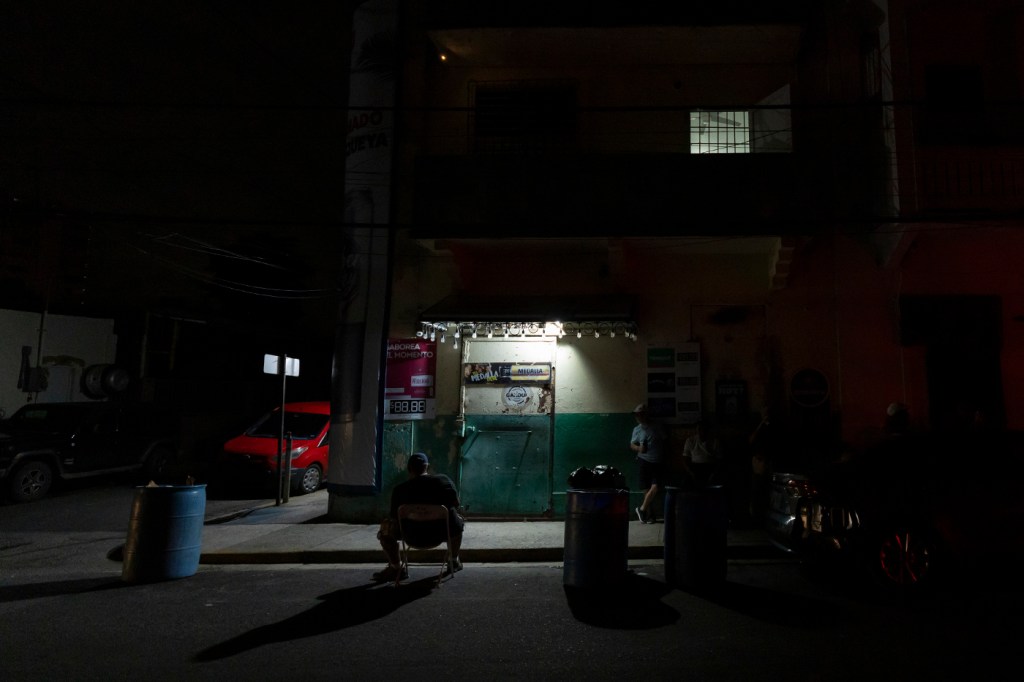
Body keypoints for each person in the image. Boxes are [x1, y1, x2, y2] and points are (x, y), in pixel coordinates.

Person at [372, 451, 465, 582]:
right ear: (427, 467)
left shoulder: (400, 490)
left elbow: (394, 517)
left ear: (409, 469)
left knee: (385, 529)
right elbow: (456, 503)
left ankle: (396, 567)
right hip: (440, 534)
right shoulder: (443, 481)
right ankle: (453, 561)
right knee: (458, 520)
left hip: (411, 536)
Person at [630, 403, 666, 524]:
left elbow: (665, 440)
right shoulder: (637, 429)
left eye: (640, 414)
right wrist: (638, 449)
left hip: (657, 460)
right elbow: (632, 444)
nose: (638, 417)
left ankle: (642, 509)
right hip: (643, 460)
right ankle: (650, 515)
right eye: (636, 415)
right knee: (646, 489)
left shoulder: (657, 426)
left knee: (655, 487)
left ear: (646, 415)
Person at [682, 420, 722, 487]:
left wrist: (713, 474)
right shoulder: (690, 440)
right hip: (694, 468)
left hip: (710, 467)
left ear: (708, 430)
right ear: (696, 430)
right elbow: (685, 458)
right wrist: (690, 472)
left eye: (704, 429)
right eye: (699, 429)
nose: (702, 432)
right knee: (685, 484)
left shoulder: (715, 442)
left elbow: (719, 460)